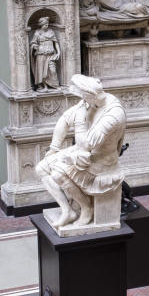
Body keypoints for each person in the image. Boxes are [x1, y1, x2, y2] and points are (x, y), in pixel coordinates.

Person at [35, 74, 126, 231]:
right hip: (83, 155)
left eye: (83, 96)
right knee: (41, 169)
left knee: (57, 174)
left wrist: (80, 118)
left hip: (101, 162)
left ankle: (86, 208)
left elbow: (86, 144)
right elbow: (64, 120)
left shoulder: (113, 115)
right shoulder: (91, 102)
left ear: (90, 94)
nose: (81, 101)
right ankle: (67, 211)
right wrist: (54, 148)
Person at [30, 17, 61, 91]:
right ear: (41, 25)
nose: (47, 25)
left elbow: (56, 43)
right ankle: (44, 86)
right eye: (45, 24)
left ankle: (55, 85)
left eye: (47, 24)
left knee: (52, 70)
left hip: (50, 54)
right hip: (41, 54)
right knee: (41, 71)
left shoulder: (51, 31)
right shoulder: (37, 33)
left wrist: (58, 52)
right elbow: (33, 43)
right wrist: (34, 46)